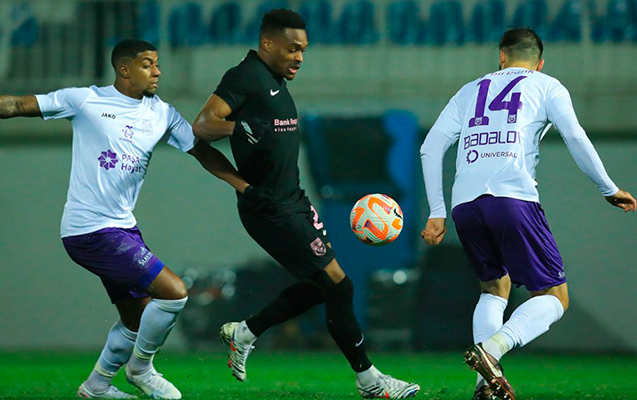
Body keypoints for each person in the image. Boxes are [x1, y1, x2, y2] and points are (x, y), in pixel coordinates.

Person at [0, 39, 254, 399]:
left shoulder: (162, 113)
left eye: (157, 64)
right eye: (148, 64)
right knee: (174, 292)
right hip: (89, 230)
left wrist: (244, 186)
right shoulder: (85, 100)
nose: (157, 72)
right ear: (124, 69)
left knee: (137, 318)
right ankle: (141, 369)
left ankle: (97, 386)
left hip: (123, 228)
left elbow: (202, 151)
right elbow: (15, 104)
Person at [192, 9, 420, 400]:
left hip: (294, 201)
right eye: (292, 49)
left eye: (303, 50)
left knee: (323, 287)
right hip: (270, 208)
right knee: (339, 285)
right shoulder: (245, 77)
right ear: (267, 44)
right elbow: (201, 128)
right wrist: (241, 158)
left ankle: (245, 332)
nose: (299, 57)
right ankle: (370, 381)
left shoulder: (275, 81)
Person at [420, 27, 636, 400]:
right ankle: (492, 351)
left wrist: (436, 211)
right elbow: (575, 136)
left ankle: (485, 386)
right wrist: (608, 187)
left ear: (501, 56)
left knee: (494, 288)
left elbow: (430, 147)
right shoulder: (547, 85)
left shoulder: (468, 91)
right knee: (554, 295)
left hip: (465, 206)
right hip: (512, 199)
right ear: (539, 63)